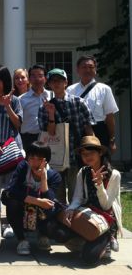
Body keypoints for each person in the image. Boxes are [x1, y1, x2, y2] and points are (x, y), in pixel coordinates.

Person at [54, 136, 122, 264]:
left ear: (100, 152)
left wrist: (99, 185)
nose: (87, 157)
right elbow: (78, 198)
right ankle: (87, 239)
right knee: (59, 233)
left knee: (89, 258)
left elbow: (106, 205)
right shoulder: (83, 172)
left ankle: (107, 238)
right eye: (84, 154)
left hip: (106, 218)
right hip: (88, 214)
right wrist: (70, 209)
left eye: (91, 153)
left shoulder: (114, 175)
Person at [38, 68, 94, 204]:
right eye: (53, 81)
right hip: (55, 157)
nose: (56, 84)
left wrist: (93, 149)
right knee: (58, 196)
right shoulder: (44, 108)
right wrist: (51, 114)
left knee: (78, 194)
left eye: (60, 80)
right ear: (49, 85)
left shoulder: (79, 102)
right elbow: (49, 133)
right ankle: (60, 222)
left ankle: (76, 222)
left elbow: (88, 128)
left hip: (76, 155)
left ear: (66, 82)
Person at [2, 141, 61, 255]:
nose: (35, 162)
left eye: (39, 159)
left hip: (41, 214)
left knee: (52, 211)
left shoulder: (54, 176)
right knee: (12, 203)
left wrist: (43, 178)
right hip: (23, 207)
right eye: (31, 158)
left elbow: (49, 201)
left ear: (46, 160)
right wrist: (37, 201)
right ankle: (22, 240)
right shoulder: (23, 167)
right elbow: (12, 191)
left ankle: (43, 235)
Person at [67, 55, 119, 153]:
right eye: (84, 67)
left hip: (99, 130)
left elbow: (110, 116)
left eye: (91, 67)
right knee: (81, 164)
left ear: (95, 69)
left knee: (102, 164)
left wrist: (112, 140)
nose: (87, 70)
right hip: (78, 131)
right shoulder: (70, 90)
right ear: (78, 70)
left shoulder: (104, 89)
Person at [19, 64, 51, 152]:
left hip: (49, 138)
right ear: (29, 79)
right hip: (28, 139)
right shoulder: (21, 99)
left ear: (45, 78)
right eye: (33, 76)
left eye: (40, 76)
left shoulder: (52, 96)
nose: (37, 79)